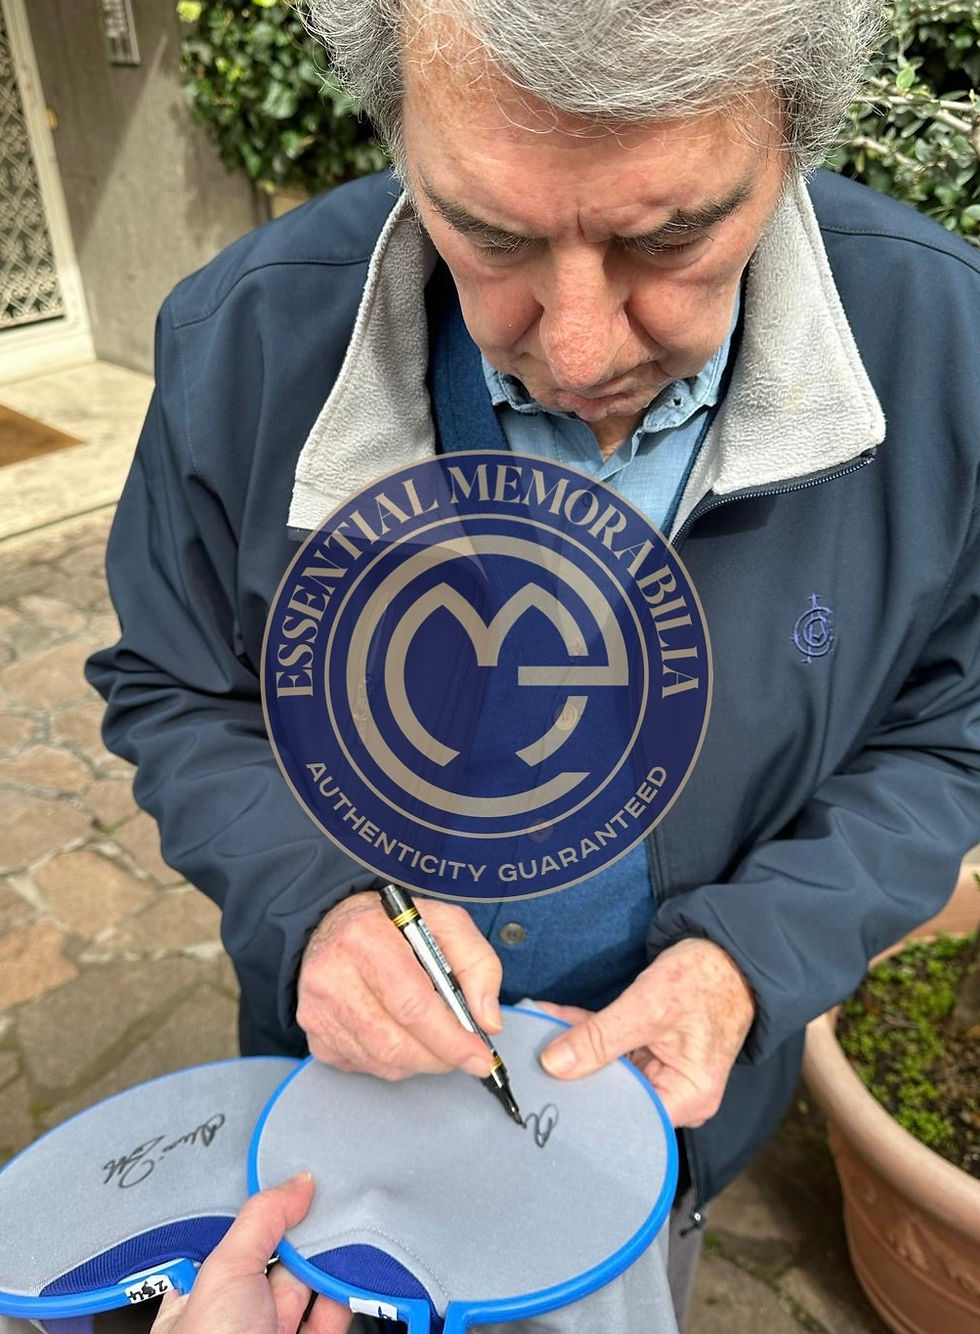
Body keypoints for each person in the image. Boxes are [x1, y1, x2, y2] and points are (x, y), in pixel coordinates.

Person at [86, 0, 980, 1324]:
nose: (577, 350)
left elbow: (953, 726)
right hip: (344, 1133)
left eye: (671, 238)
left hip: (657, 1150)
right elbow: (174, 686)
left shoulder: (950, 348)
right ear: (400, 135)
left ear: (796, 136)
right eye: (490, 236)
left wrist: (755, 955)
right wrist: (314, 902)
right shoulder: (242, 340)